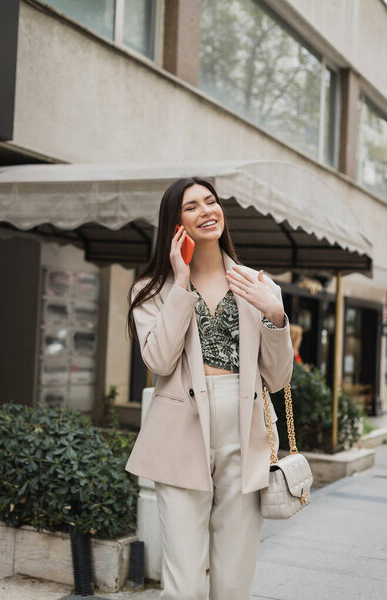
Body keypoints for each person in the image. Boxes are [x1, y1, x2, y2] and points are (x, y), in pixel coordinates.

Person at [125, 177, 294, 600]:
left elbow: (277, 378)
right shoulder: (151, 292)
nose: (207, 211)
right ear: (174, 223)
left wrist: (275, 313)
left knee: (234, 581)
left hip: (246, 432)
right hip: (181, 436)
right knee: (183, 584)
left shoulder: (256, 284)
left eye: (211, 201)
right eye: (192, 206)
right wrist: (180, 283)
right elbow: (160, 361)